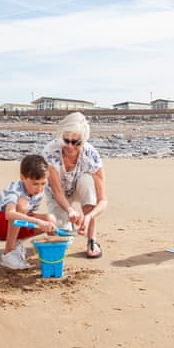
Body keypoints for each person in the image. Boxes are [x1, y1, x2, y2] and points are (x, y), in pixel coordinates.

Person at [41, 111, 107, 259]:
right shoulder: (50, 152)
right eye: (66, 140)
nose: (70, 146)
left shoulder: (91, 155)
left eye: (76, 143)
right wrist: (70, 210)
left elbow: (103, 200)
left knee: (87, 181)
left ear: (83, 141)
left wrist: (89, 216)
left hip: (79, 187)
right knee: (62, 237)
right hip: (58, 194)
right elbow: (57, 192)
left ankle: (92, 240)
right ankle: (67, 223)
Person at [0, 154, 57, 270]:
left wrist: (49, 228)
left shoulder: (38, 192)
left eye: (43, 183)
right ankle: (9, 253)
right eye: (35, 184)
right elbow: (10, 214)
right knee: (22, 206)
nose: (39, 188)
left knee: (50, 220)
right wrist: (39, 222)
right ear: (22, 177)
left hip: (15, 224)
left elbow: (27, 216)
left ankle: (53, 253)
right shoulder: (15, 189)